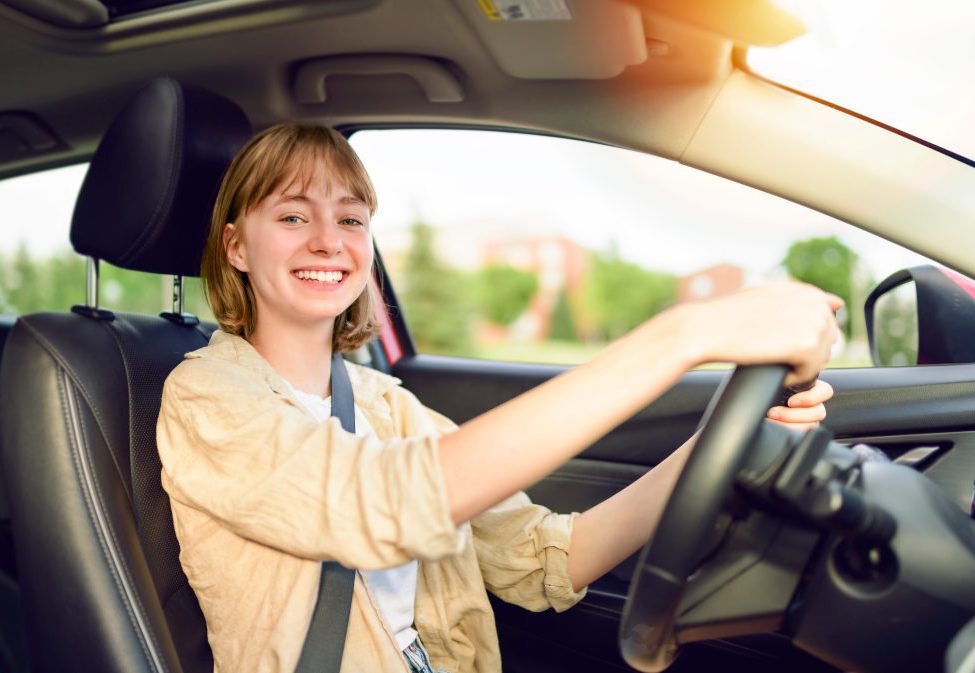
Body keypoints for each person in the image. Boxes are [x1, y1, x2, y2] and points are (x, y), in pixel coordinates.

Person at [156, 124, 841, 673]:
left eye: (352, 219)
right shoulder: (207, 397)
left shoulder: (387, 404)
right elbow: (380, 504)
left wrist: (717, 448)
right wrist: (685, 335)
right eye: (293, 215)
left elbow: (546, 560)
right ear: (236, 247)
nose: (329, 241)